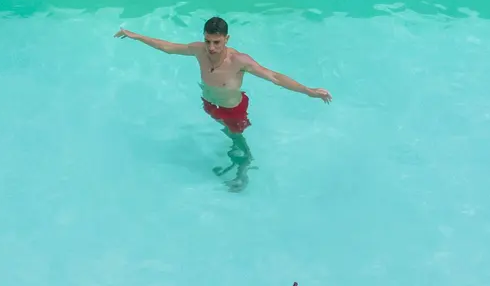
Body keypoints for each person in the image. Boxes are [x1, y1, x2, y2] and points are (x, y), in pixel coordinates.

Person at [116, 17, 330, 189]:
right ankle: (237, 153)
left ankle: (243, 171)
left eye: (217, 42)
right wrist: (134, 35)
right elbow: (167, 47)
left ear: (227, 39)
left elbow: (273, 76)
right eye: (208, 41)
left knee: (237, 140)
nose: (211, 47)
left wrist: (307, 90)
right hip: (210, 104)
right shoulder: (198, 49)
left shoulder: (239, 60)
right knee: (227, 133)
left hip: (233, 110)